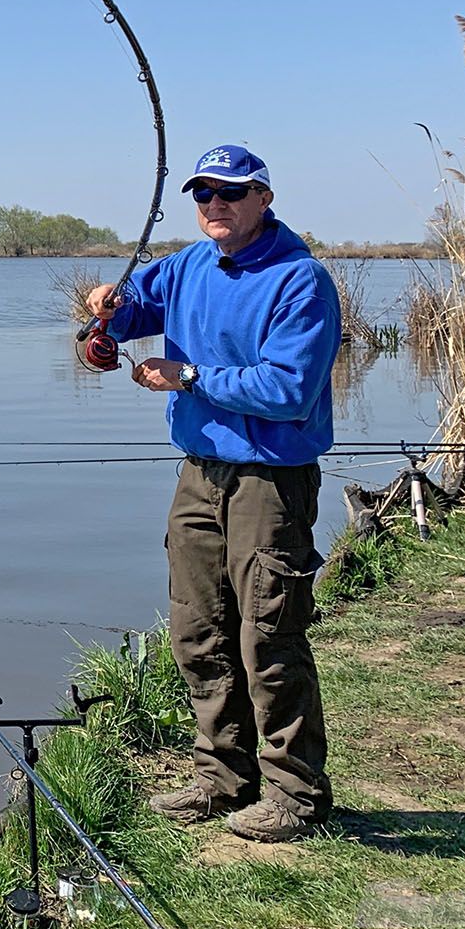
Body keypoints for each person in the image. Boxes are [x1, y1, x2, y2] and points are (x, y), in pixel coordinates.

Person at [84, 145, 341, 843]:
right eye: (203, 195)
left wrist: (189, 376)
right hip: (199, 472)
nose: (214, 206)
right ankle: (221, 780)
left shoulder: (300, 280)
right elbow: (125, 317)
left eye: (230, 193)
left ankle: (296, 795)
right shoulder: (188, 264)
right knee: (197, 628)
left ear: (264, 198)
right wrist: (104, 318)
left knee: (269, 634)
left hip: (271, 478)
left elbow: (289, 393)